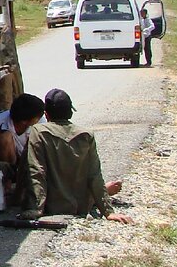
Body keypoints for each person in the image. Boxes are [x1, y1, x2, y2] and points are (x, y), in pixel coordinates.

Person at [20, 89, 131, 224]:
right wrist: (108, 212)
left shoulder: (39, 132)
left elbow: (36, 171)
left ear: (46, 114)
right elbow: (94, 174)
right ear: (70, 112)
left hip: (51, 206)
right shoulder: (86, 135)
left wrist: (35, 209)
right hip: (80, 206)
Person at [0, 92, 46, 166]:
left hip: (28, 163)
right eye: (37, 117)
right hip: (5, 162)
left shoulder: (40, 123)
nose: (40, 118)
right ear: (24, 121)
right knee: (5, 139)